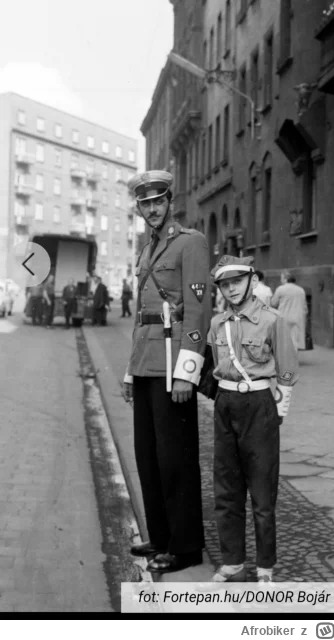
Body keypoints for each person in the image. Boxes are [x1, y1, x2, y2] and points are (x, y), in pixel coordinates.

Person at [121, 170, 211, 574]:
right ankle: (159, 536)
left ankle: (186, 546)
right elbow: (142, 318)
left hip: (173, 364)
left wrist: (187, 372)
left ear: (170, 201)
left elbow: (197, 311)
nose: (152, 209)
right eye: (145, 203)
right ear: (138, 208)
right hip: (145, 365)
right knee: (148, 456)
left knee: (175, 459)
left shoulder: (190, 243)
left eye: (158, 201)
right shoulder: (146, 250)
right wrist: (129, 370)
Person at [207, 255, 298, 584]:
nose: (231, 289)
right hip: (225, 403)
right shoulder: (217, 324)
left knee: (262, 490)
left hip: (259, 404)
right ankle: (232, 561)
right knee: (226, 488)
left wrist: (279, 412)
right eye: (225, 284)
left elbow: (287, 371)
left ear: (251, 282)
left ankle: (264, 567)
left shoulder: (272, 321)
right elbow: (215, 365)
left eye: (236, 282)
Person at [271, 271, 308, 351]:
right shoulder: (301, 290)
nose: (281, 280)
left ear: (285, 278)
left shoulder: (281, 289)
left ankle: (285, 360)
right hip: (297, 317)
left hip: (284, 317)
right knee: (295, 341)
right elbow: (304, 307)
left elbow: (273, 303)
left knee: (283, 340)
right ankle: (294, 360)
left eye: (281, 278)